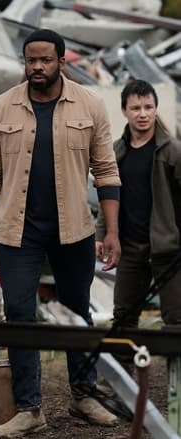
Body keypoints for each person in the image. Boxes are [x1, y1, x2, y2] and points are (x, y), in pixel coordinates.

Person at [0, 29, 122, 438]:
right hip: (16, 234)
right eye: (30, 60)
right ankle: (29, 408)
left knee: (77, 313)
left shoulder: (89, 104)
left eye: (45, 60)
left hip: (73, 230)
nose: (37, 67)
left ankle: (83, 395)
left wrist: (111, 231)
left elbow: (107, 171)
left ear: (61, 61)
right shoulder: (2, 108)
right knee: (20, 316)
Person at [95, 80, 181, 373]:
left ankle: (176, 390)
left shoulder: (173, 152)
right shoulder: (116, 152)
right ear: (124, 111)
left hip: (168, 249)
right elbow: (106, 199)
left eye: (148, 107)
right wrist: (101, 235)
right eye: (136, 108)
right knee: (123, 319)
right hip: (130, 248)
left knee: (176, 321)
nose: (142, 113)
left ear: (156, 109)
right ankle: (124, 389)